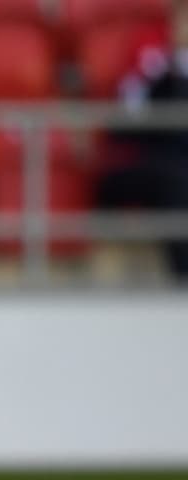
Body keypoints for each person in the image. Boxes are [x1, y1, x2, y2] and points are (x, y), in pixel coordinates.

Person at [97, 0, 188, 284]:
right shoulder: (151, 55)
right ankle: (183, 277)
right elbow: (122, 120)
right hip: (145, 165)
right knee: (176, 179)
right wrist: (166, 67)